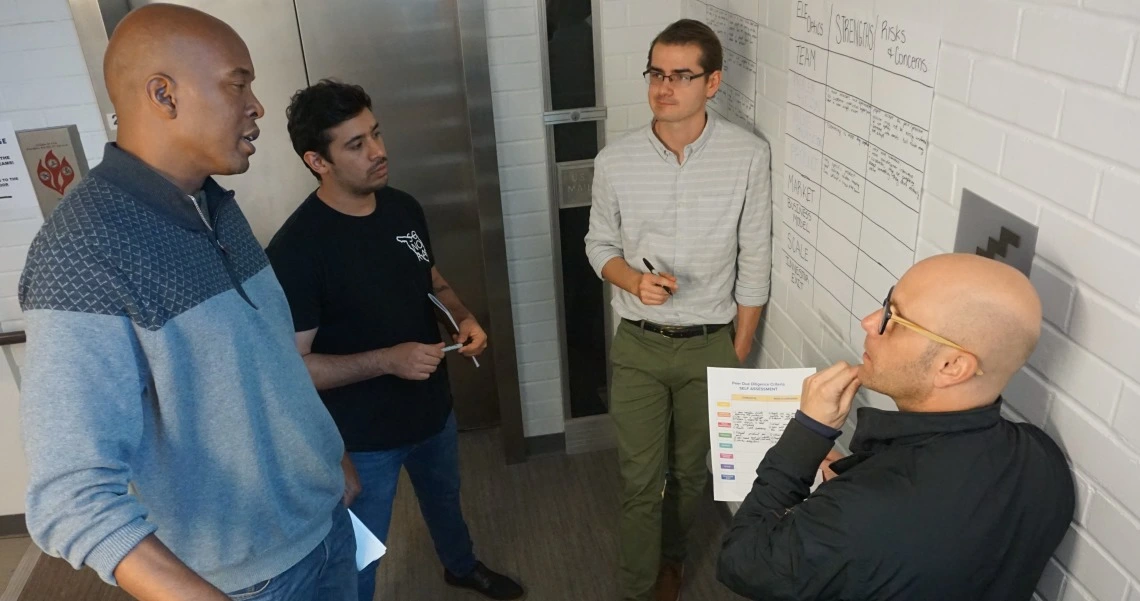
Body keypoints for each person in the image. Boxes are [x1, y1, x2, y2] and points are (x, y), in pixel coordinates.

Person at [17, 5, 355, 601]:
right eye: (238, 83)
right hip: (247, 580)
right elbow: (69, 497)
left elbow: (268, 363)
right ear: (163, 95)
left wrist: (329, 460)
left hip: (324, 527)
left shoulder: (215, 206)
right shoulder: (79, 253)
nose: (257, 108)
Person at [266, 80, 525, 601]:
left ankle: (460, 565)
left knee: (445, 500)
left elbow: (429, 278)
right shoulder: (298, 249)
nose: (379, 151)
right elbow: (295, 365)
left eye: (376, 134)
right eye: (356, 145)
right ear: (318, 160)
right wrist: (388, 360)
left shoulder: (402, 208)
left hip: (432, 410)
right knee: (361, 551)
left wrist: (463, 317)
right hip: (361, 438)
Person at [717, 253, 1076, 601]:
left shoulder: (862, 514)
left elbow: (740, 560)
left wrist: (808, 433)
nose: (871, 322)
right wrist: (861, 482)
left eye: (895, 318)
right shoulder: (1043, 459)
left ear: (952, 366)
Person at [584, 18, 773, 601]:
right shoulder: (615, 160)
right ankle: (639, 588)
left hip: (710, 344)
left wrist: (737, 350)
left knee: (690, 475)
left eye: (681, 76)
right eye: (656, 74)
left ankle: (671, 558)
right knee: (640, 478)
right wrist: (632, 282)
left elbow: (755, 256)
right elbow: (598, 245)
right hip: (639, 343)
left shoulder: (747, 155)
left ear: (712, 83)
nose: (664, 87)